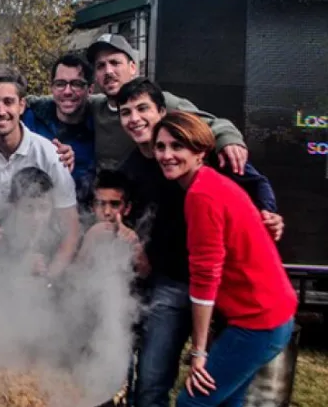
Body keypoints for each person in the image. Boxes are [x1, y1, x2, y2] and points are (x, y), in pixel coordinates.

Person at [114, 78, 284, 407]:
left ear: (162, 111)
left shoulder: (204, 171)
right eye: (125, 112)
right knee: (151, 381)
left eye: (143, 108)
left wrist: (268, 213)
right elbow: (127, 218)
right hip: (171, 283)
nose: (134, 118)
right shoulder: (131, 169)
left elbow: (256, 182)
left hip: (221, 292)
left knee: (212, 394)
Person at [151, 112, 297, 407]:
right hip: (270, 314)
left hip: (259, 320)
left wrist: (199, 352)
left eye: (177, 146)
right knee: (229, 401)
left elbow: (206, 278)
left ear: (201, 151)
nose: (167, 155)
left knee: (193, 402)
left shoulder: (201, 195)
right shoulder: (209, 183)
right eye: (160, 146)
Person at [0, 68, 80, 280]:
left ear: (22, 105)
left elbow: (71, 229)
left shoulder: (50, 155)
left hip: (42, 260)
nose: (0, 111)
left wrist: (49, 278)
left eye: (8, 102)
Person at [85, 34, 248, 172]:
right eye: (100, 66)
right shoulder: (94, 106)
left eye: (115, 63)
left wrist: (228, 140)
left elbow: (211, 124)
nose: (108, 71)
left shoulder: (158, 102)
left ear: (133, 67)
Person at [22, 54, 96, 199]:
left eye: (76, 84)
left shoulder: (99, 127)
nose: (67, 91)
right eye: (60, 84)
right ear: (52, 88)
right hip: (32, 211)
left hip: (83, 214)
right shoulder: (29, 119)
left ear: (90, 90)